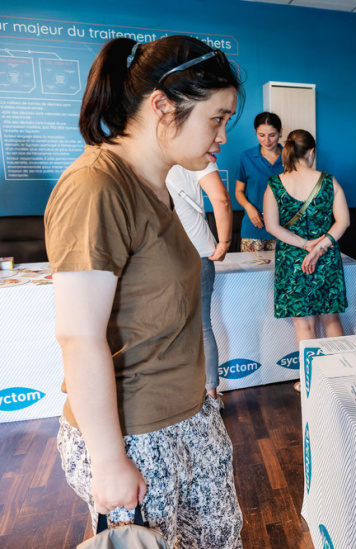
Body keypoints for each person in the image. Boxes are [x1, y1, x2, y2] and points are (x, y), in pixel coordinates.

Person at [44, 36, 243, 546]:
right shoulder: (96, 186)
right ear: (163, 105)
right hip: (137, 434)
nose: (222, 136)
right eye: (216, 119)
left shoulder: (159, 182)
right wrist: (110, 460)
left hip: (187, 416)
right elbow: (79, 337)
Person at [262, 129, 349, 391]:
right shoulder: (329, 181)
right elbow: (343, 221)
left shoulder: (274, 184)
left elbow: (272, 227)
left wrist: (304, 245)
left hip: (292, 259)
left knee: (304, 322)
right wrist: (319, 246)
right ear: (311, 152)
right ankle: (339, 376)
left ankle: (311, 381)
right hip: (326, 258)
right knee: (331, 318)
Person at [166, 162, 232, 400]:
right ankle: (211, 397)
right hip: (199, 250)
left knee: (165, 328)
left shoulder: (148, 154)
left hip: (160, 253)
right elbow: (221, 199)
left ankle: (177, 398)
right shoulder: (197, 156)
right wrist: (224, 242)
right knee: (203, 326)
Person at [236, 112, 283, 252]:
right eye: (261, 135)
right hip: (253, 230)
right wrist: (249, 208)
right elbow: (239, 191)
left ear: (280, 133)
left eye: (272, 135)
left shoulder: (291, 158)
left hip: (284, 231)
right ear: (255, 132)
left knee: (281, 273)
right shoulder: (246, 157)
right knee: (252, 274)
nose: (267, 140)